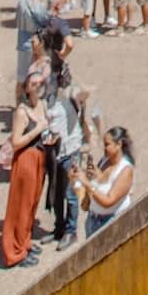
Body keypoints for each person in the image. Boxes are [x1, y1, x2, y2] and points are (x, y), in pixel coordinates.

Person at [1, 71, 50, 268]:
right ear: (27, 88)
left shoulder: (43, 105)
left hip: (40, 157)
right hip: (26, 160)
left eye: (40, 83)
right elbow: (16, 142)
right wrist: (37, 129)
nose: (38, 86)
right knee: (20, 205)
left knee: (31, 204)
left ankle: (24, 241)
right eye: (34, 83)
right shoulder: (22, 112)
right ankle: (15, 252)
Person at [46, 65, 89, 251]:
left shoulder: (71, 94)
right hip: (54, 151)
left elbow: (85, 97)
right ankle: (59, 227)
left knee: (70, 194)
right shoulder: (47, 98)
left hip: (70, 150)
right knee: (56, 192)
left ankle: (71, 231)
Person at [73, 126, 136, 238]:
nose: (104, 148)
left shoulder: (126, 170)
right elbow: (103, 182)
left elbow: (108, 201)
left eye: (107, 144)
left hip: (111, 224)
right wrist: (92, 176)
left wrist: (86, 183)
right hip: (93, 221)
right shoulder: (105, 161)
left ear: (119, 144)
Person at [15, 0, 52, 100]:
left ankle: (19, 105)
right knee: (38, 75)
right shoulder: (36, 5)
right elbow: (45, 20)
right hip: (37, 45)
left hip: (23, 45)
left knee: (21, 78)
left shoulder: (20, 3)